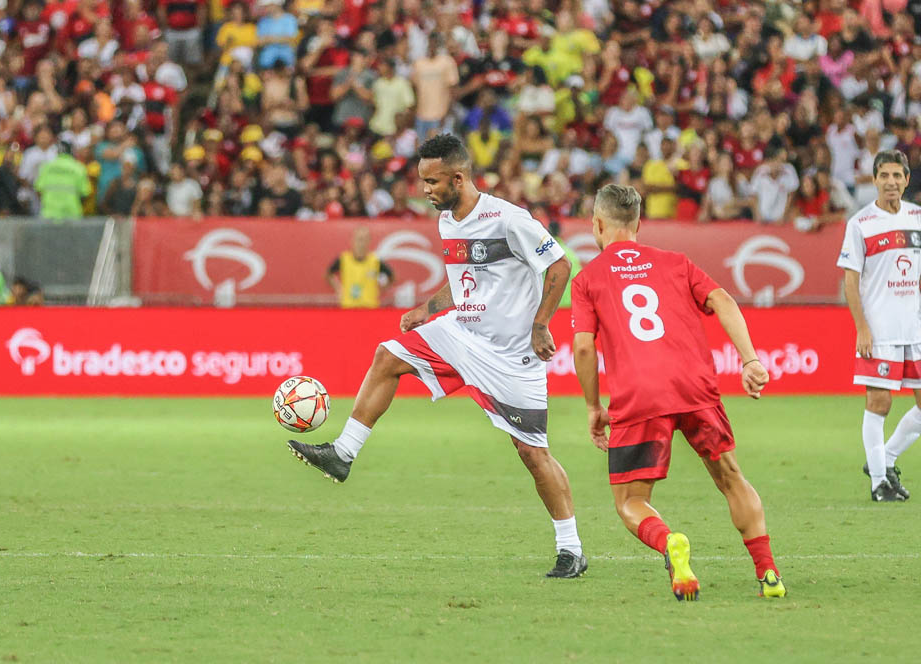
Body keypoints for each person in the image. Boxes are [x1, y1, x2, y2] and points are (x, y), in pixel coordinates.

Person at [289, 135, 587, 578]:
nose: (424, 190)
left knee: (532, 453)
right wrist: (428, 310)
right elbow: (464, 279)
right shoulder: (447, 220)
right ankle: (343, 453)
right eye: (422, 181)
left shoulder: (508, 219)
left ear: (458, 178)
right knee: (387, 356)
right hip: (461, 332)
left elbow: (558, 267)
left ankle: (571, 548)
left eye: (431, 181)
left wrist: (540, 323)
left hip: (509, 355)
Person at [570, 184, 784, 601]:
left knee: (631, 501)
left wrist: (594, 406)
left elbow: (582, 347)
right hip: (695, 385)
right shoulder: (676, 262)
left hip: (639, 395)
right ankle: (769, 573)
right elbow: (722, 300)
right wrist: (750, 360)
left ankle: (669, 542)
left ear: (597, 224)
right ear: (638, 224)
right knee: (731, 478)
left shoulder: (589, 278)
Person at [838, 150, 921, 501]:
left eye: (897, 176)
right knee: (879, 402)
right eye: (884, 176)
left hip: (915, 328)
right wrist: (863, 328)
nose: (891, 182)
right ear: (874, 180)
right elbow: (850, 281)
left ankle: (884, 460)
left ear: (906, 180)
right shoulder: (860, 223)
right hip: (881, 329)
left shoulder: (918, 218)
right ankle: (878, 484)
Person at [327, 226, 394, 308]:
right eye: (359, 239)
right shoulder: (344, 259)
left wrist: (382, 289)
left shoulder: (375, 261)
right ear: (352, 241)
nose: (362, 244)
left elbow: (391, 276)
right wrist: (338, 288)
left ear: (369, 242)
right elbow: (329, 274)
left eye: (365, 240)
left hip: (370, 307)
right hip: (349, 306)